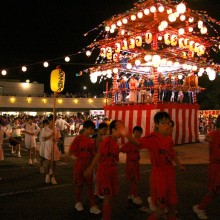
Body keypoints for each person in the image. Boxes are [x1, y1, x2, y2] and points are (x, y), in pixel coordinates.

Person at [125, 112, 185, 220]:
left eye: (168, 123)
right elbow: (137, 142)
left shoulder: (168, 139)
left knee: (172, 206)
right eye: (163, 123)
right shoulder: (152, 138)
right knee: (161, 209)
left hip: (169, 174)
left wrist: (179, 165)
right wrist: (125, 133)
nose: (167, 126)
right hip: (159, 175)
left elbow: (171, 153)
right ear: (156, 124)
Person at [69, 120, 101, 215]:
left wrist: (95, 164)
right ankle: (78, 202)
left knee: (90, 185)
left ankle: (92, 205)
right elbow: (72, 149)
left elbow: (93, 153)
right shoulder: (79, 138)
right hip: (80, 163)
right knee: (79, 184)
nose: (92, 131)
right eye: (91, 129)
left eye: (93, 129)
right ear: (86, 129)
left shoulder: (91, 140)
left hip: (88, 164)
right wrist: (67, 155)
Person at [193, 115, 220, 220]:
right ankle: (200, 207)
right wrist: (208, 138)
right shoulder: (214, 134)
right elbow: (207, 138)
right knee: (214, 190)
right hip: (216, 167)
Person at [120, 125, 143, 205]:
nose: (138, 134)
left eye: (139, 132)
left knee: (133, 180)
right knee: (134, 181)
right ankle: (135, 196)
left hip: (135, 163)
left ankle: (130, 194)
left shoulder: (138, 143)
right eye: (136, 132)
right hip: (131, 164)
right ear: (133, 133)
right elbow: (121, 149)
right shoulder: (130, 143)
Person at [40, 115, 61, 185]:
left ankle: (53, 177)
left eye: (54, 121)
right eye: (52, 121)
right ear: (49, 121)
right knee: (48, 162)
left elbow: (58, 138)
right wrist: (51, 135)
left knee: (54, 163)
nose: (53, 122)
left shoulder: (56, 129)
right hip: (48, 146)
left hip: (54, 146)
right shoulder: (45, 129)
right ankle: (47, 175)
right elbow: (43, 139)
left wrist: (56, 139)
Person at [93, 122, 108, 198]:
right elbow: (98, 150)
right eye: (104, 130)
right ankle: (98, 192)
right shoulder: (98, 137)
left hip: (97, 159)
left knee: (97, 176)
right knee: (99, 176)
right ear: (99, 129)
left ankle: (96, 192)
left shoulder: (98, 136)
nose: (105, 132)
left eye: (106, 130)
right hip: (98, 159)